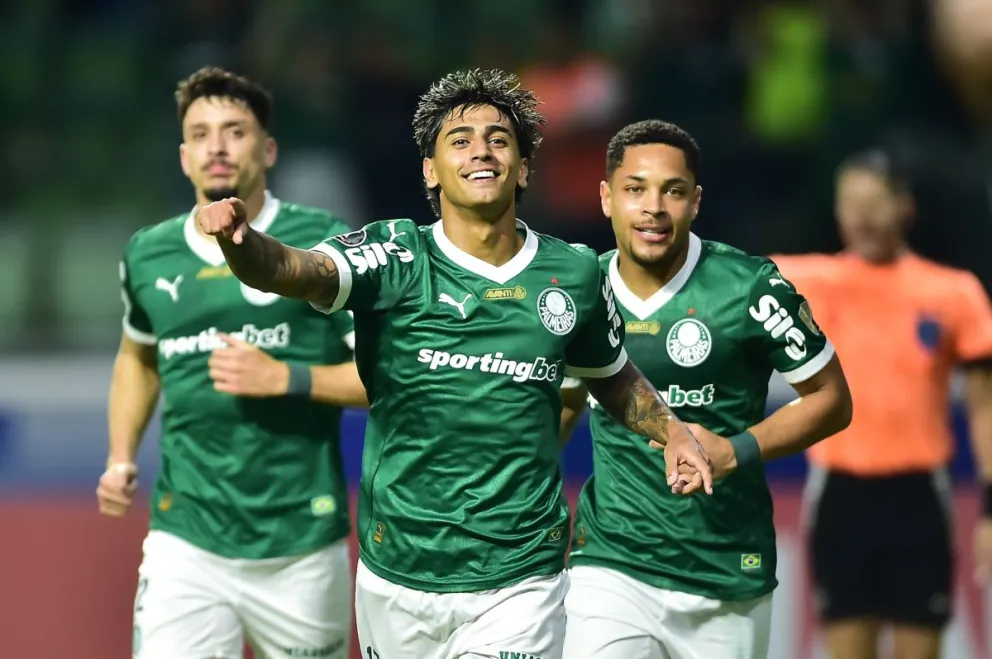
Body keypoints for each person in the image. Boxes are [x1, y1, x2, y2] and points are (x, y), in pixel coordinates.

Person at [196, 69, 714, 659]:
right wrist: (241, 243)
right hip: (398, 570)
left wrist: (670, 430)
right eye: (460, 141)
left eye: (499, 139)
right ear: (431, 170)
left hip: (521, 574)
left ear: (523, 168)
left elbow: (611, 376)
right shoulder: (394, 256)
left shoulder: (573, 273)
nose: (481, 152)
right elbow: (294, 269)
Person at [95, 67, 367, 659]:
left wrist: (287, 377)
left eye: (235, 131)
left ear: (268, 151)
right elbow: (138, 356)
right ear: (184, 157)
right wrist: (120, 457)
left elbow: (385, 377)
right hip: (185, 540)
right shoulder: (148, 252)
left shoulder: (324, 243)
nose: (216, 147)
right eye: (200, 134)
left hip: (300, 543)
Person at [559, 120, 854, 659]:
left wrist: (734, 451)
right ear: (606, 198)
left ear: (695, 202)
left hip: (726, 571)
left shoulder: (749, 287)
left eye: (672, 191)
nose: (653, 207)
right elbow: (561, 409)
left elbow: (832, 399)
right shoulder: (581, 292)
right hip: (611, 564)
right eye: (635, 189)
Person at [772, 150, 992, 659]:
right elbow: (717, 278)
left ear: (904, 207)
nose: (863, 215)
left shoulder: (954, 293)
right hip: (841, 498)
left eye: (875, 201)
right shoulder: (805, 282)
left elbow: (985, 409)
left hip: (919, 500)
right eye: (850, 202)